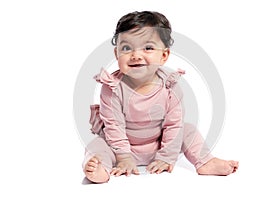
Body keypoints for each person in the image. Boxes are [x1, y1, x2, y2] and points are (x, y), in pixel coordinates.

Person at [83, 11, 239, 183]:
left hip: (158, 146)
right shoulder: (112, 87)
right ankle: (100, 169)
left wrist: (166, 157)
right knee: (96, 145)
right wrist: (123, 157)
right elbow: (113, 125)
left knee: (187, 130)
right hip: (118, 148)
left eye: (148, 48)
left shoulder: (170, 85)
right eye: (126, 48)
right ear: (116, 54)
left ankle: (205, 161)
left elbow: (174, 125)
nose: (136, 55)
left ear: (163, 55)